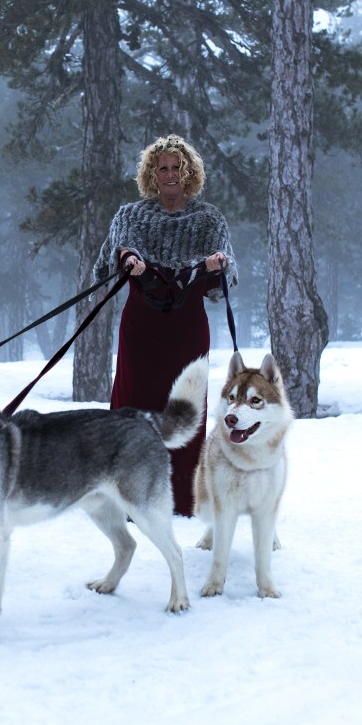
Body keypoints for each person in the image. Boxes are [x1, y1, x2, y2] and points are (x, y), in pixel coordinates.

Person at [92, 134, 238, 516]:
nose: (170, 174)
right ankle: (125, 494)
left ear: (189, 172)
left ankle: (183, 498)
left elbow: (227, 273)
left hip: (187, 332)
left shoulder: (209, 219)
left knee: (186, 409)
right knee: (132, 409)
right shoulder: (130, 215)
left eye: (177, 168)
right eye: (163, 168)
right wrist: (129, 258)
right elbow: (118, 251)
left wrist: (218, 264)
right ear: (151, 174)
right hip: (141, 330)